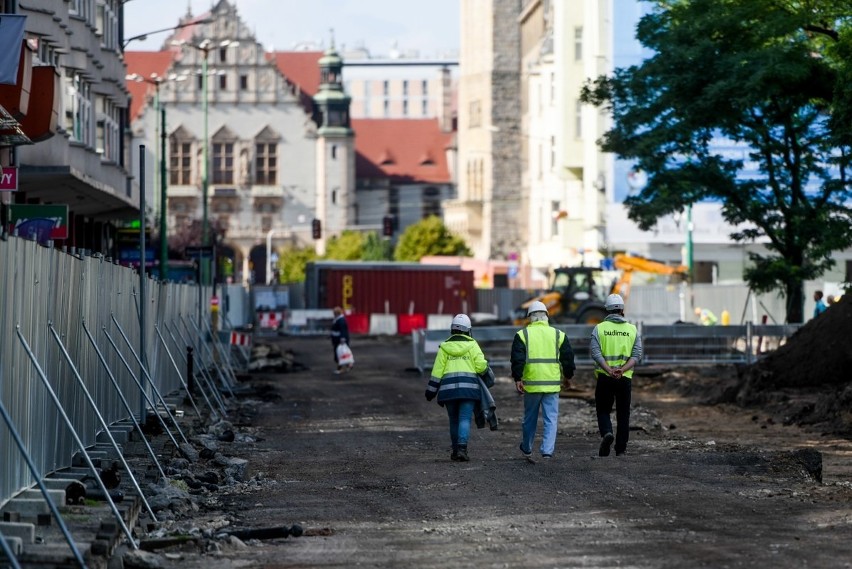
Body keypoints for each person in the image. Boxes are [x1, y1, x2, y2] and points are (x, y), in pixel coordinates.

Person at [511, 300, 575, 462]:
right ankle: (547, 450)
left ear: (529, 317)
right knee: (551, 419)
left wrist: (518, 378)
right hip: (552, 385)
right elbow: (568, 359)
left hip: (531, 385)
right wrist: (568, 377)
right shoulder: (558, 335)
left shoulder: (522, 335)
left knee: (529, 419)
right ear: (546, 316)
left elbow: (517, 359)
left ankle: (526, 448)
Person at [424, 314, 489, 462]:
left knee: (453, 420)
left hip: (448, 391)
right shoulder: (473, 345)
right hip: (468, 390)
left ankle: (455, 451)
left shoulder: (444, 347)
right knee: (464, 419)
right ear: (468, 330)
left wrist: (431, 390)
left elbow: (437, 371)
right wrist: (486, 371)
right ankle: (462, 449)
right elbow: (481, 366)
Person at [591, 294, 643, 457]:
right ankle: (620, 449)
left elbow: (595, 352)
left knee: (603, 409)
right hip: (624, 377)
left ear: (607, 309)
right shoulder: (632, 329)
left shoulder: (599, 328)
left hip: (605, 377)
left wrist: (608, 369)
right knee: (623, 413)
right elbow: (637, 354)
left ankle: (607, 432)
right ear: (622, 309)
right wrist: (622, 369)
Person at [330, 306, 352, 374]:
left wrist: (342, 339)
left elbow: (343, 330)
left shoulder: (341, 320)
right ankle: (349, 365)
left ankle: (341, 368)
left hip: (339, 340)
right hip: (337, 339)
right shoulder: (338, 319)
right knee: (343, 353)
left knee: (339, 354)